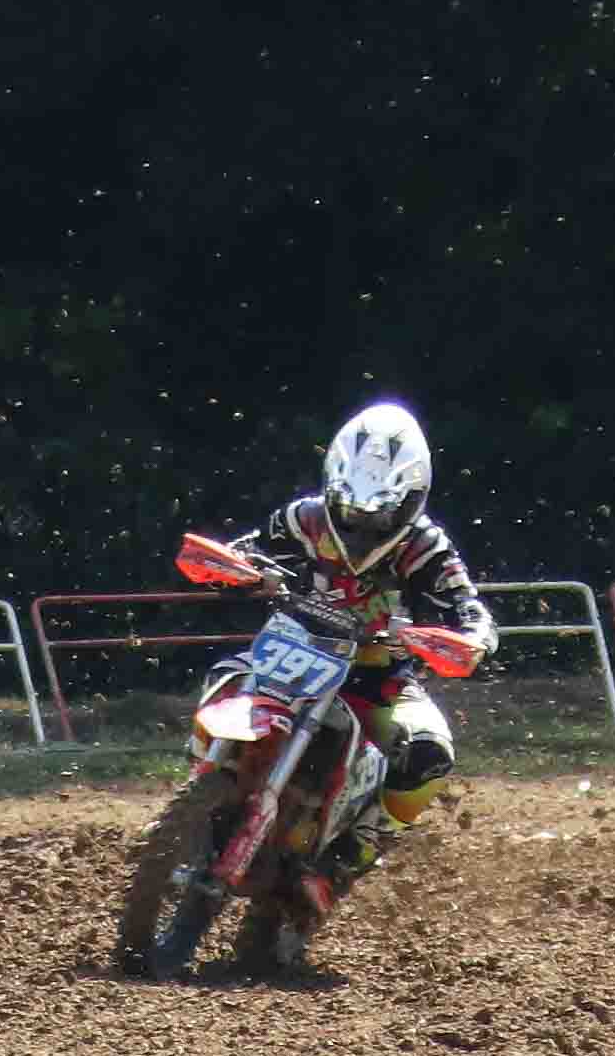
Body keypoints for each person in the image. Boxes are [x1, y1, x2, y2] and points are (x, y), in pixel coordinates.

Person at [211, 398, 496, 944]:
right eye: (351, 510)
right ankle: (198, 794)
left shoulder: (425, 547)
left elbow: (469, 609)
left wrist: (470, 641)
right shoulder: (303, 519)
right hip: (290, 656)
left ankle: (346, 860)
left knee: (430, 754)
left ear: (411, 500)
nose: (363, 524)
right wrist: (236, 568)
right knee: (222, 677)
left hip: (376, 678)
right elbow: (245, 552)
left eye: (379, 515)